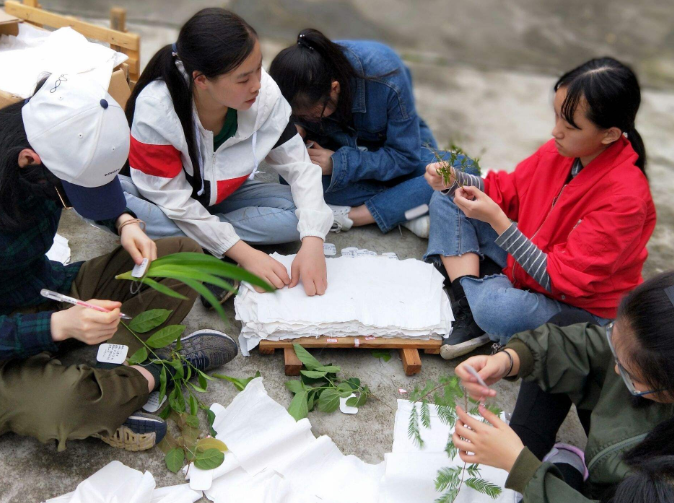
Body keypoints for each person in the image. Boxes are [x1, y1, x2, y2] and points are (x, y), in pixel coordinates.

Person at [0, 72, 236, 452]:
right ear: (30, 160)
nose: (74, 202)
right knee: (63, 406)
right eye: (72, 194)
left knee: (184, 259)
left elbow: (87, 188)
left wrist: (123, 221)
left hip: (44, 289)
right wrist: (56, 326)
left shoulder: (36, 149)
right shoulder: (31, 164)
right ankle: (153, 374)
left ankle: (103, 386)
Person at [424, 57, 655, 359]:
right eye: (557, 116)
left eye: (570, 125)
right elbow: (508, 191)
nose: (555, 131)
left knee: (500, 311)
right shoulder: (563, 150)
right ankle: (473, 304)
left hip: (573, 306)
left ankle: (472, 297)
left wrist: (499, 223)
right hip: (528, 260)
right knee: (446, 198)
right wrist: (457, 180)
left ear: (610, 134)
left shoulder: (625, 198)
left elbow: (561, 279)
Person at [122, 9, 333, 303]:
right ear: (201, 80)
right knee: (117, 203)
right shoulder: (158, 110)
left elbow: (299, 167)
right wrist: (245, 254)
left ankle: (200, 246)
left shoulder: (265, 96)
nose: (258, 84)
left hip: (220, 198)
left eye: (259, 68)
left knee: (296, 216)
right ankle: (215, 248)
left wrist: (313, 241)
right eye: (243, 78)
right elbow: (175, 202)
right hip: (165, 204)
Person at [452, 271, 674, 502]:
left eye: (631, 376)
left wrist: (521, 468)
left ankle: (559, 472)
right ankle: (538, 460)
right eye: (613, 334)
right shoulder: (655, 344)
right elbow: (587, 347)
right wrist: (509, 360)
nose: (616, 370)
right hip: (613, 454)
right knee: (568, 324)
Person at [269, 29, 477, 238]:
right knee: (290, 178)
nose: (312, 120)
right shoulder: (297, 76)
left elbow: (404, 157)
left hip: (393, 151)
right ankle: (407, 208)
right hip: (342, 153)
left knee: (464, 171)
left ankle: (356, 216)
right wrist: (297, 129)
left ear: (334, 88)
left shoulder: (386, 78)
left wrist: (338, 164)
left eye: (314, 115)